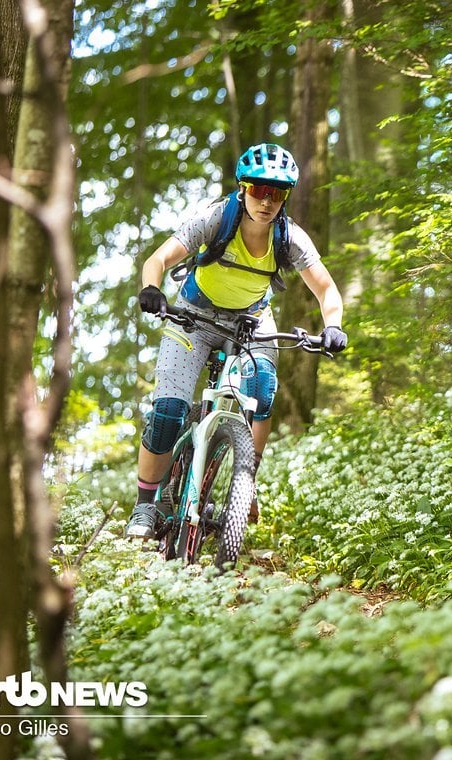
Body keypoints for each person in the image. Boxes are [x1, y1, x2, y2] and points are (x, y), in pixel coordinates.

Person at [125, 142, 346, 539]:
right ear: (243, 188)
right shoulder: (215, 218)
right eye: (259, 190)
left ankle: (246, 480)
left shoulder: (290, 237)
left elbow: (327, 290)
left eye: (276, 193)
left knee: (262, 390)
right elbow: (157, 259)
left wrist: (334, 325)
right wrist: (151, 289)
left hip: (251, 321)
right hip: (194, 316)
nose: (266, 200)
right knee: (168, 412)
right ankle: (144, 506)